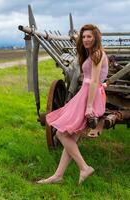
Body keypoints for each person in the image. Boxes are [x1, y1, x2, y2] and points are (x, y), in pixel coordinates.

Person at [36, 24, 109, 184]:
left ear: (96, 37)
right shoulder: (92, 53)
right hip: (86, 94)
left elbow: (95, 81)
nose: (85, 39)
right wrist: (76, 36)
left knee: (61, 134)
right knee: (70, 136)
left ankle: (84, 168)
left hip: (89, 97)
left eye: (89, 36)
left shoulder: (97, 53)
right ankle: (58, 175)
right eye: (83, 37)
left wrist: (89, 106)